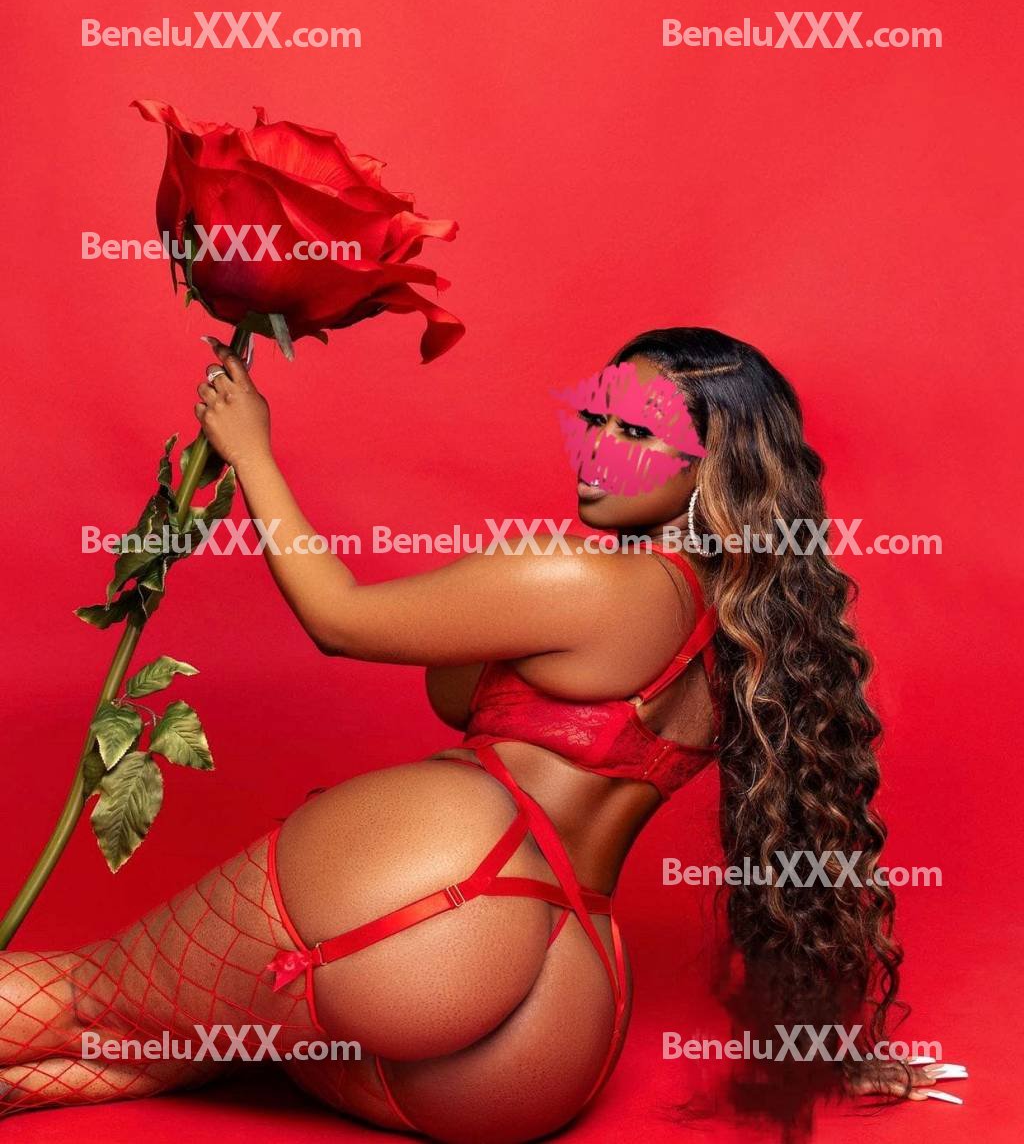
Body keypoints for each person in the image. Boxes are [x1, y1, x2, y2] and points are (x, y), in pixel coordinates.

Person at [0, 328, 966, 1141]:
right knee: (182, 1047)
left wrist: (251, 452)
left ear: (712, 466)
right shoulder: (755, 644)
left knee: (83, 997)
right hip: (557, 1030)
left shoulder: (580, 581)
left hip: (439, 896)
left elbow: (340, 621)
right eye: (596, 417)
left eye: (639, 432)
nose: (598, 448)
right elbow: (461, 691)